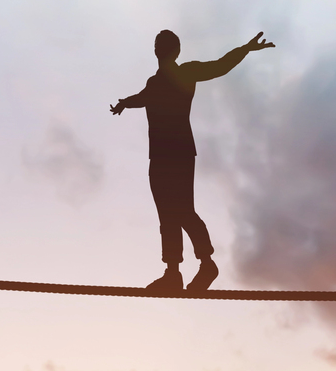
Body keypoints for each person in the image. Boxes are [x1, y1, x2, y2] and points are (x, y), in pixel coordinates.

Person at [111, 28, 275, 292]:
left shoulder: (186, 73)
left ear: (171, 51)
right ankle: (173, 272)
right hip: (161, 156)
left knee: (182, 210)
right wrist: (124, 103)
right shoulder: (154, 83)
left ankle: (206, 264)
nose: (160, 50)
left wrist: (245, 49)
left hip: (178, 153)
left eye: (162, 46)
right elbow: (142, 98)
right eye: (159, 46)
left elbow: (220, 66)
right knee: (167, 214)